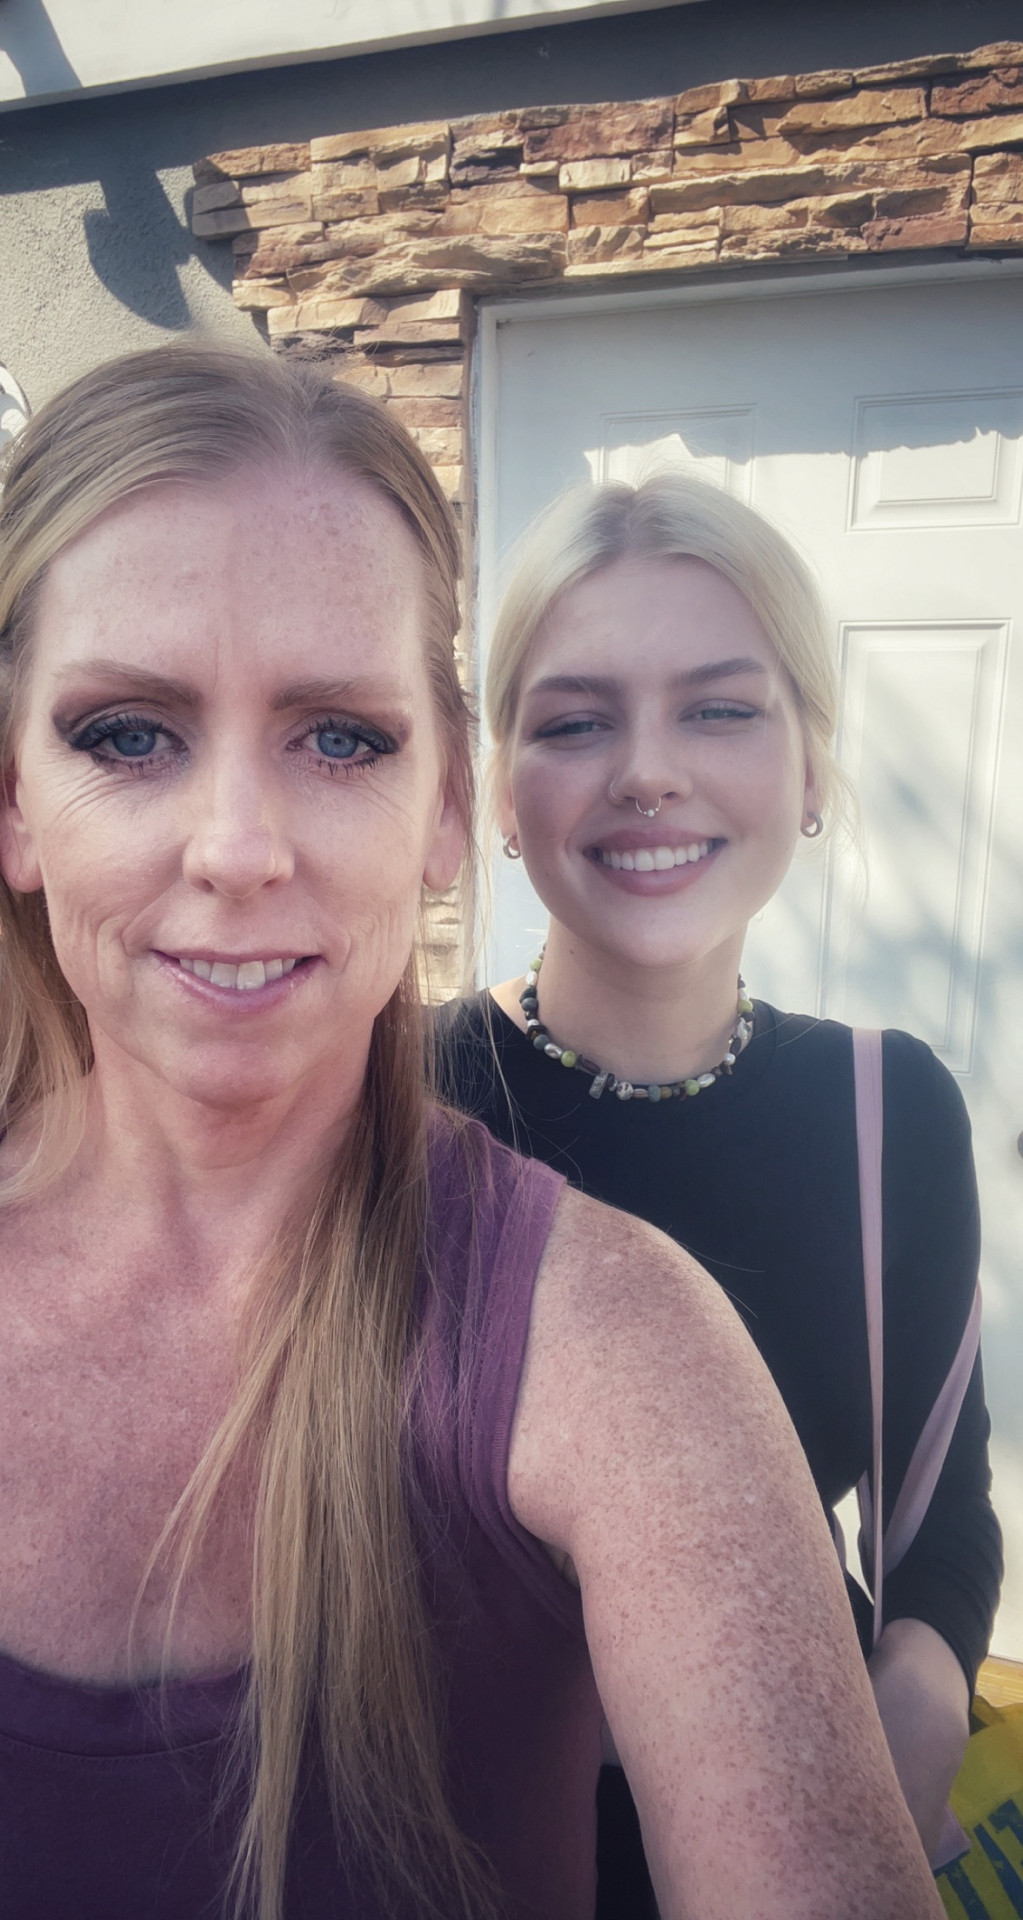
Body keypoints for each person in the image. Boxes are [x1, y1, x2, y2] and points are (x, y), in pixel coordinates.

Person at [0, 348, 945, 1920]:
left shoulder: (624, 1335)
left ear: (445, 805)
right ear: (13, 799)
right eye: (126, 733)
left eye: (340, 738)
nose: (237, 849)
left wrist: (921, 1661)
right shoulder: (472, 1079)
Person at [438, 472, 1002, 1915]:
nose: (647, 771)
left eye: (721, 709)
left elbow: (938, 1530)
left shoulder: (888, 1108)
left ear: (811, 768)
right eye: (575, 722)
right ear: (501, 792)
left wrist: (912, 1716)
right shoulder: (395, 1106)